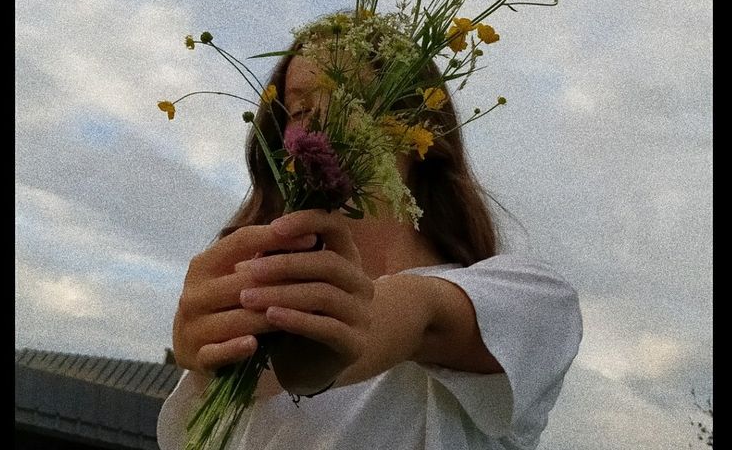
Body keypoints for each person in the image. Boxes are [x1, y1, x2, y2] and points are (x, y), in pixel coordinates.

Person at [157, 41, 583, 450]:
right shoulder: (251, 315)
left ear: (418, 126)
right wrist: (206, 356)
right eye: (302, 108)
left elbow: (420, 313)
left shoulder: (531, 300)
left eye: (351, 99)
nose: (323, 123)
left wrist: (338, 332)